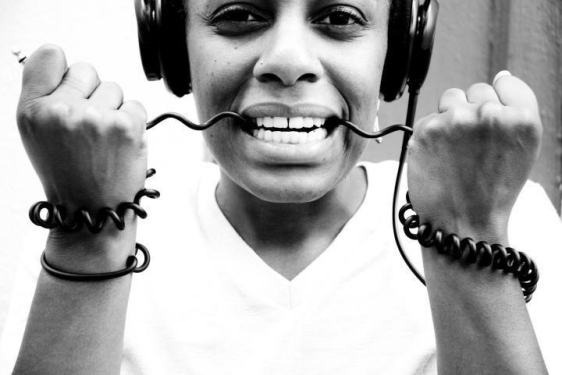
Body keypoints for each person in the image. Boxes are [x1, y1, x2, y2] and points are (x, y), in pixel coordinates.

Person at [1, 0, 561, 374]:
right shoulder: (88, 218)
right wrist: (89, 229)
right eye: (239, 15)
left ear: (401, 53)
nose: (288, 61)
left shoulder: (509, 217)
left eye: (340, 17)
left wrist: (467, 232)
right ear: (172, 49)